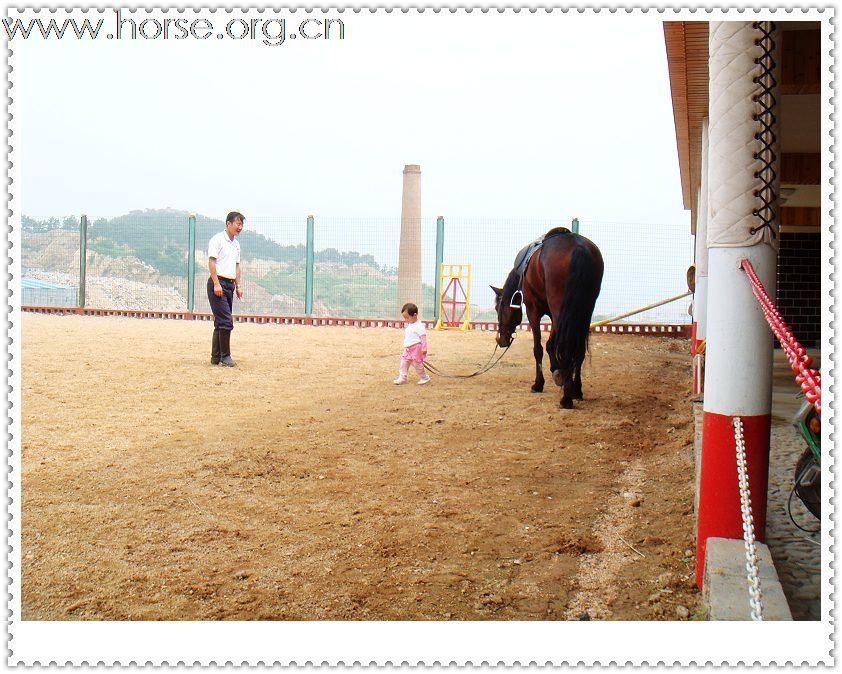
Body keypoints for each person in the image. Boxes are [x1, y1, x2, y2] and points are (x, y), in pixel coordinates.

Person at [207, 211, 245, 366]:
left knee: (220, 322)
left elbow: (237, 266)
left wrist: (238, 286)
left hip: (230, 284)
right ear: (228, 223)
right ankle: (225, 356)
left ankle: (215, 357)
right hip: (218, 283)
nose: (240, 227)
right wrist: (216, 283)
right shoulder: (217, 240)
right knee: (226, 321)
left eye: (242, 224)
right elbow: (211, 261)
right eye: (237, 223)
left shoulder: (236, 244)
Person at [394, 302, 430, 385]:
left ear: (415, 315)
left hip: (416, 348)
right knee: (404, 363)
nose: (406, 320)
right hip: (408, 349)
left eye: (407, 317)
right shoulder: (411, 324)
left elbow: (423, 337)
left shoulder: (419, 325)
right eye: (405, 318)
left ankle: (424, 377)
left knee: (417, 364)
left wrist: (424, 348)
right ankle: (402, 377)